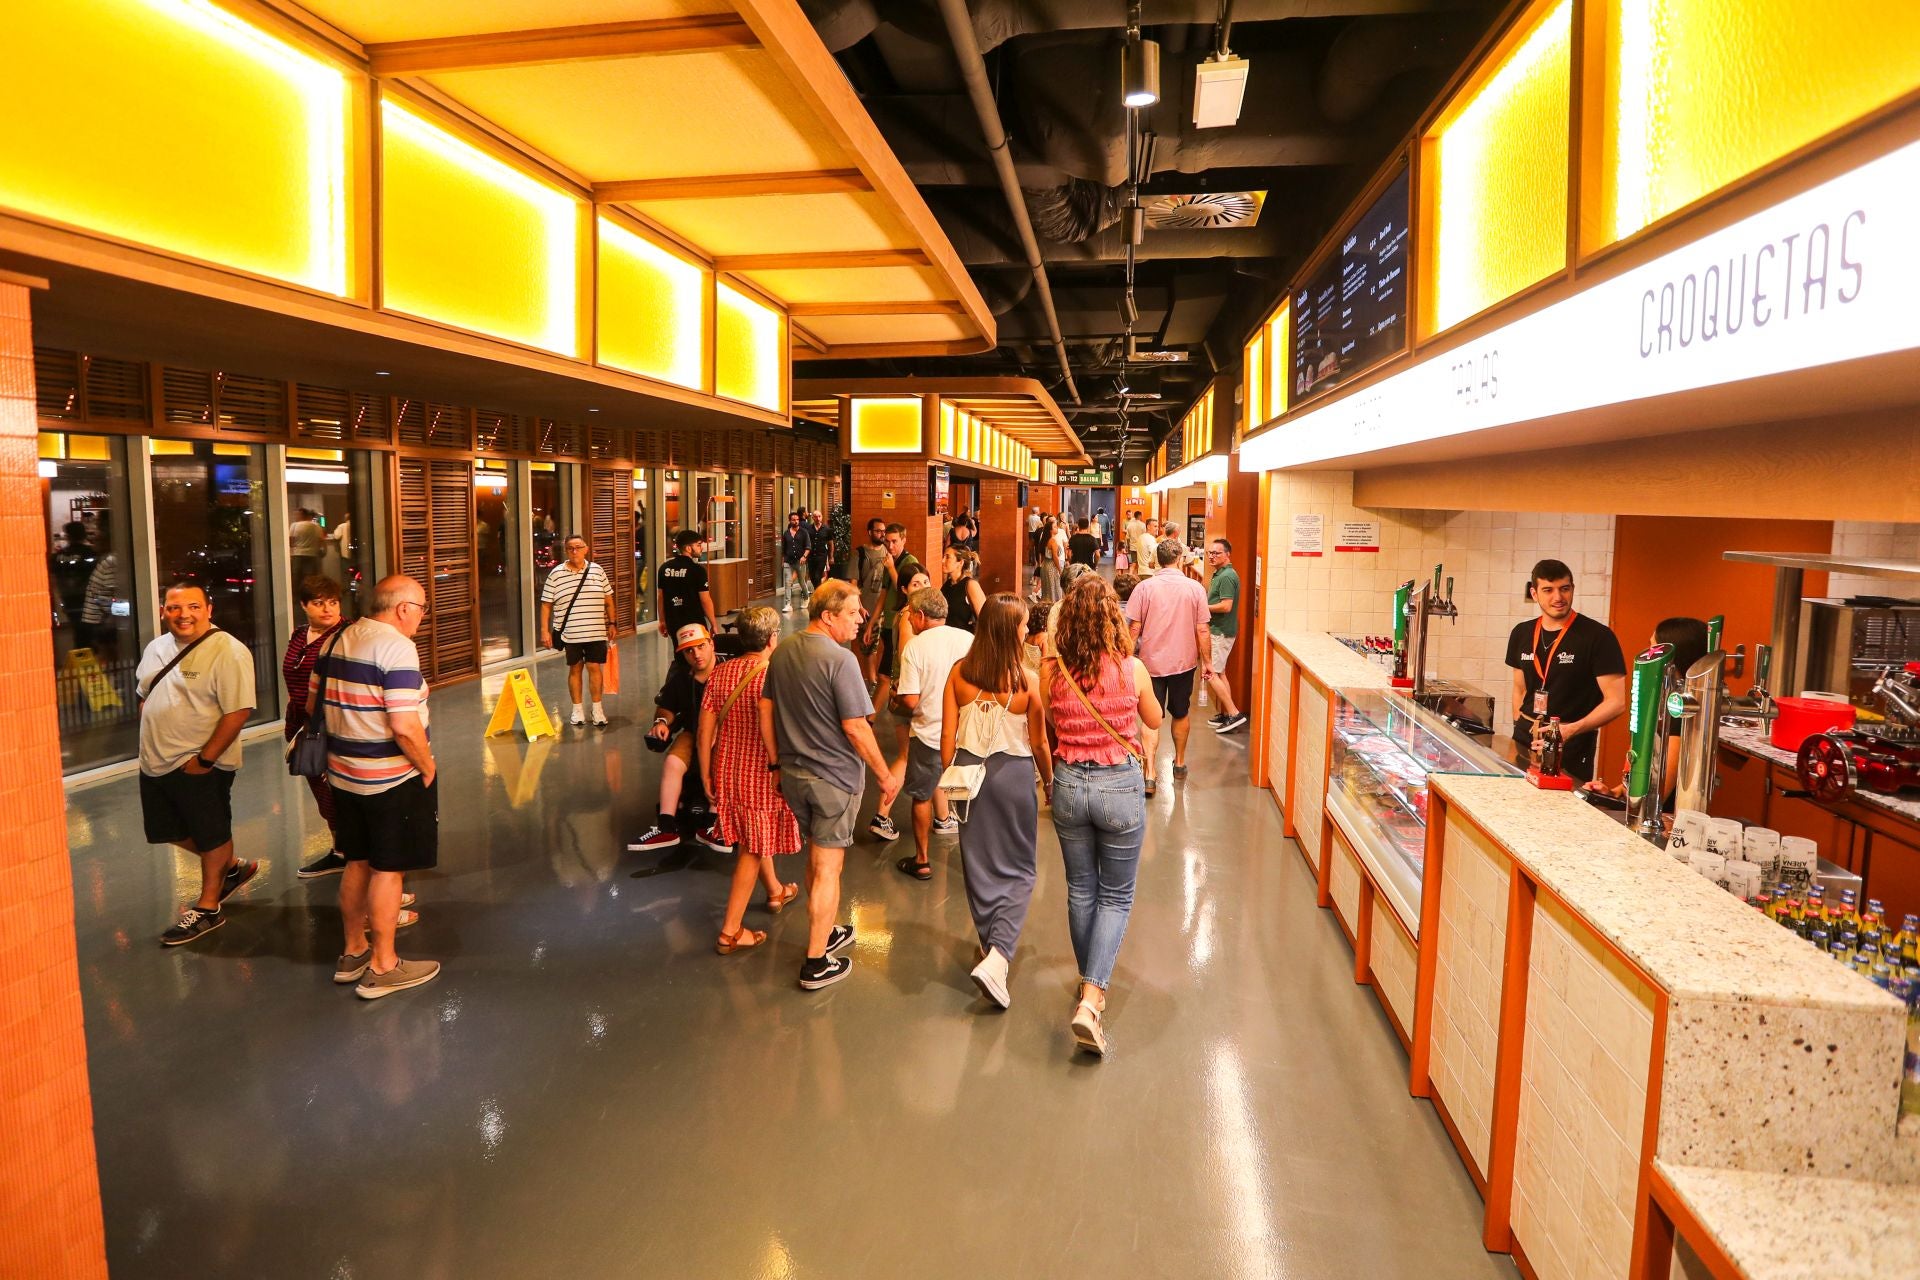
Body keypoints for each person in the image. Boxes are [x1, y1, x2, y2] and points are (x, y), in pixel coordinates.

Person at [1042, 575, 1161, 1056]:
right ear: (1115, 618)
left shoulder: (1056, 673)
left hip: (1069, 785)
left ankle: (1088, 979)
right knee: (1115, 896)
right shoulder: (1133, 669)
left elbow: (1053, 722)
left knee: (1080, 889)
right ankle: (1092, 999)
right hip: (1119, 789)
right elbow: (1152, 720)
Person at [764, 581, 900, 990]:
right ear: (828, 616)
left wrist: (774, 764)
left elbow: (766, 708)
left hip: (794, 777)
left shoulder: (784, 650)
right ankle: (816, 962)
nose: (861, 619)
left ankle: (824, 933)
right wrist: (885, 776)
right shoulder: (841, 662)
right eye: (854, 612)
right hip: (834, 783)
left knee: (816, 860)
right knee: (828, 869)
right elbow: (857, 727)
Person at [312, 574, 440, 998]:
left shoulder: (336, 639)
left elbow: (313, 703)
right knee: (389, 869)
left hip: (344, 774)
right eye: (421, 608)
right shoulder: (396, 647)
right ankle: (384, 966)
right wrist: (426, 767)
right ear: (403, 608)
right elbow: (404, 726)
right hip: (390, 777)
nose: (422, 617)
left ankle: (353, 952)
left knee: (357, 861)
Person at [941, 593, 1052, 1009]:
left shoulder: (959, 674)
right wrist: (1050, 782)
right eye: (1023, 624)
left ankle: (990, 946)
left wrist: (953, 776)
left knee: (979, 866)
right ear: (1011, 631)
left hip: (967, 777)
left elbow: (945, 742)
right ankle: (1000, 955)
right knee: (1020, 869)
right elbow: (1039, 743)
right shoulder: (1026, 682)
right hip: (1013, 776)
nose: (1026, 629)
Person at [139, 582, 258, 946]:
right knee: (168, 830)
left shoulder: (228, 651)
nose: (183, 614)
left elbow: (238, 711)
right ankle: (232, 867)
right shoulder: (157, 647)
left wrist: (205, 759)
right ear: (164, 611)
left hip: (200, 763)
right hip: (155, 761)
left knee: (212, 833)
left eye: (193, 606)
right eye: (175, 608)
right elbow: (145, 693)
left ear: (209, 609)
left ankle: (209, 908)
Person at [699, 606, 802, 953]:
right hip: (763, 771)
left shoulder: (721, 672)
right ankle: (730, 931)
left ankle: (775, 891)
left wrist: (704, 771)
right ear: (774, 638)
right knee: (753, 846)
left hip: (728, 768)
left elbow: (705, 728)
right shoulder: (775, 675)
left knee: (752, 832)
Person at [1504, 558, 1627, 783]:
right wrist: (1520, 725)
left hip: (1570, 743)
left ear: (1572, 589)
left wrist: (1570, 730)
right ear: (1534, 593)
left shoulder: (1598, 637)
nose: (1558, 597)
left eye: (1564, 589)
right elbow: (1519, 689)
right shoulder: (1521, 633)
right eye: (1548, 590)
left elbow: (1616, 702)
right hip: (1524, 738)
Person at [891, 587, 973, 879]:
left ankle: (923, 860)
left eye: (910, 614)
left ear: (921, 615)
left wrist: (895, 696)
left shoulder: (915, 646)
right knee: (966, 797)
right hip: (964, 735)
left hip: (928, 735)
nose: (910, 620)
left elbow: (910, 700)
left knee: (922, 796)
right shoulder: (968, 640)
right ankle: (973, 863)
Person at [1586, 616, 1709, 807]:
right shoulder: (1661, 697)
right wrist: (1614, 793)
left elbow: (1659, 793)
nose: (1646, 654)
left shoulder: (1680, 706)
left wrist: (1631, 804)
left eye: (1653, 648)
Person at [628, 623, 728, 852]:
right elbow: (666, 707)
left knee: (720, 760)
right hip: (693, 732)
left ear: (711, 644)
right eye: (689, 651)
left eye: (701, 647)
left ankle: (714, 824)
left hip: (725, 736)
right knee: (673, 762)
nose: (697, 655)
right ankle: (666, 827)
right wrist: (661, 723)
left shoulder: (729, 673)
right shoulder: (682, 678)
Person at [1126, 537, 1212, 795]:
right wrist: (1207, 662)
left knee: (1151, 718)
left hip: (1149, 664)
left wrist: (1126, 658)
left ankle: (1150, 772)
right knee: (1181, 712)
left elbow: (1134, 626)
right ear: (1179, 559)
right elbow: (1202, 629)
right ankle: (1180, 762)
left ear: (1157, 560)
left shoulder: (1144, 587)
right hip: (1183, 663)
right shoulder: (1195, 588)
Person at [285, 575, 348, 879]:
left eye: (333, 602)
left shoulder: (346, 636)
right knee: (321, 792)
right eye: (318, 603)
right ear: (304, 605)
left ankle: (355, 853)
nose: (327, 609)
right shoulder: (299, 635)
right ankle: (341, 850)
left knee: (339, 792)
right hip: (302, 727)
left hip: (334, 729)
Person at [867, 565, 932, 842]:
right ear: (904, 589)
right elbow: (908, 653)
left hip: (908, 693)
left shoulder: (915, 615)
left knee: (930, 757)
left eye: (926, 581)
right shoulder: (908, 617)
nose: (923, 586)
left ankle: (942, 818)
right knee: (908, 757)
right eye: (916, 584)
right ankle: (882, 815)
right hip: (909, 695)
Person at [539, 534, 615, 727]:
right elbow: (546, 604)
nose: (575, 551)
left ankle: (597, 709)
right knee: (575, 668)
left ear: (586, 549)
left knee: (594, 668)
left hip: (596, 631)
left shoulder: (597, 571)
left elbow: (608, 599)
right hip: (570, 632)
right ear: (566, 551)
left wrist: (612, 623)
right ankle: (577, 710)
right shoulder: (556, 574)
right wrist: (544, 631)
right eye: (570, 548)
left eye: (578, 547)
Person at [1202, 538, 1248, 733]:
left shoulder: (1227, 576)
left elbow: (1226, 606)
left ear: (1227, 555)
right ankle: (1228, 713)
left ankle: (1233, 713)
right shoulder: (1219, 574)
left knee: (1212, 673)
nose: (1212, 556)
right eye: (1210, 553)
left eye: (1217, 553)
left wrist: (1202, 607)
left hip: (1220, 631)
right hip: (1218, 630)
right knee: (1220, 673)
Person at [658, 528, 716, 638]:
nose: (701, 548)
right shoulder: (697, 570)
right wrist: (713, 624)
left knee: (679, 651)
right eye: (698, 545)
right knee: (698, 653)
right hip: (694, 621)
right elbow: (705, 599)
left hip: (673, 621)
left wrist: (662, 620)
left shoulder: (664, 568)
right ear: (688, 548)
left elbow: (661, 596)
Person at [854, 518, 891, 682]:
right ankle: (872, 680)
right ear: (870, 532)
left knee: (887, 645)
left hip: (886, 609)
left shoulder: (889, 553)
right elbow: (853, 585)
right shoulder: (859, 553)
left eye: (884, 531)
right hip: (868, 608)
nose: (882, 534)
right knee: (869, 647)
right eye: (878, 531)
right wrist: (859, 607)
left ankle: (878, 680)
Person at [49, 521, 97, 641]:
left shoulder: (58, 556)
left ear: (68, 535)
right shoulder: (90, 553)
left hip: (68, 598)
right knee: (89, 633)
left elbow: (54, 576)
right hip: (87, 599)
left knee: (78, 630)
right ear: (83, 534)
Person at [941, 546, 986, 633]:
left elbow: (984, 619)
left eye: (947, 557)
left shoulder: (971, 585)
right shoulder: (946, 585)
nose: (942, 561)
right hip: (949, 641)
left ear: (960, 562)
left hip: (966, 642)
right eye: (943, 557)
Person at [779, 510, 813, 613]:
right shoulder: (786, 533)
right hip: (788, 561)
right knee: (788, 582)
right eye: (794, 520)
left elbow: (808, 547)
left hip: (800, 561)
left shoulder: (804, 532)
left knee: (802, 581)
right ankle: (788, 604)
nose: (796, 521)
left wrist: (804, 556)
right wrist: (783, 560)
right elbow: (783, 549)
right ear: (790, 521)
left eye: (797, 519)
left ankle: (806, 598)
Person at [288, 508, 325, 599]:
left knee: (296, 577)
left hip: (297, 554)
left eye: (296, 514)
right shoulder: (316, 526)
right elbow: (321, 540)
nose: (295, 516)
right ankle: (310, 595)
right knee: (310, 577)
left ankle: (296, 597)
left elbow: (291, 541)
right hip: (312, 554)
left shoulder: (294, 525)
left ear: (301, 515)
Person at [807, 510, 833, 590]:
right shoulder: (808, 529)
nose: (818, 518)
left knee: (817, 576)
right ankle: (819, 590)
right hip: (811, 556)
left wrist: (831, 557)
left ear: (821, 517)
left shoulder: (827, 529)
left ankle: (817, 594)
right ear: (812, 518)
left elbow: (831, 544)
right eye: (815, 517)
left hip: (821, 556)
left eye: (819, 516)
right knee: (812, 576)